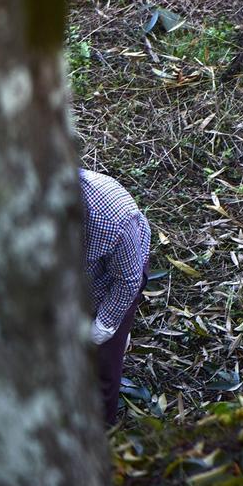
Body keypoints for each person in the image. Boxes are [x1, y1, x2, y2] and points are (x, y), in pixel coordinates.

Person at [80, 168, 151, 425]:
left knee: (103, 365)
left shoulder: (113, 218)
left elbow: (127, 281)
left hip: (111, 284)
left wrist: (104, 326)